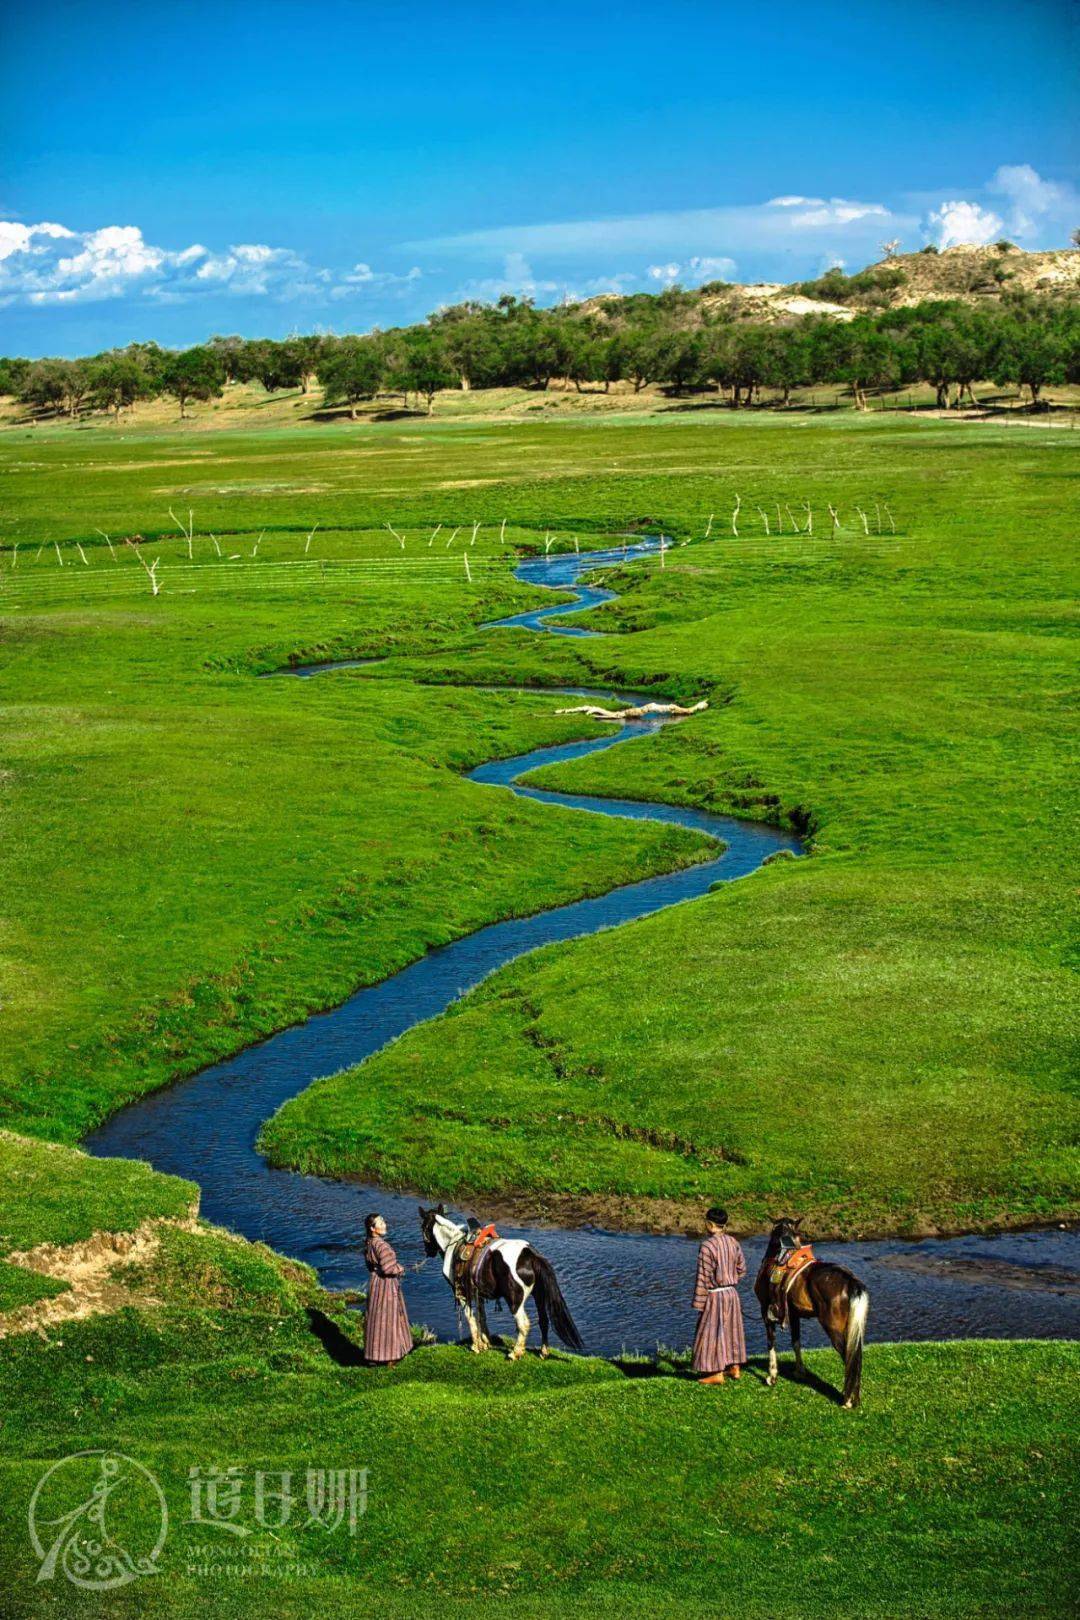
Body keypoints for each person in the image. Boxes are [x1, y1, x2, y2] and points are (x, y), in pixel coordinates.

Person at [691, 1206, 747, 1386]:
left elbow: (703, 1277)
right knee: (732, 1330)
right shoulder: (733, 1242)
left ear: (709, 1224)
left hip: (716, 1296)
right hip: (732, 1293)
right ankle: (735, 1367)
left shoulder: (707, 1246)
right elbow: (742, 1269)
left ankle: (716, 1373)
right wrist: (730, 1282)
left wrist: (699, 1303)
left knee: (711, 1333)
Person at [363, 1213, 413, 1367]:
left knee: (376, 1319)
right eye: (381, 1223)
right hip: (386, 1286)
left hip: (375, 1283)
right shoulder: (382, 1245)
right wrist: (401, 1268)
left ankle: (374, 1355)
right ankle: (391, 1356)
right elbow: (388, 1268)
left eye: (384, 1221)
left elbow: (371, 1265)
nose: (384, 1224)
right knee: (389, 1319)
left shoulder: (370, 1243)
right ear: (373, 1228)